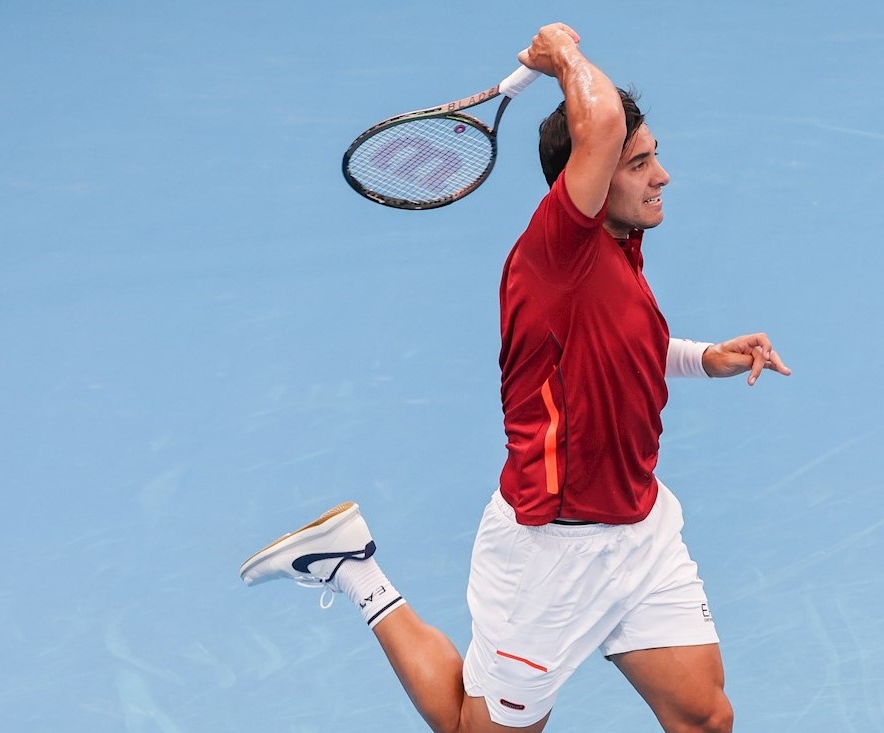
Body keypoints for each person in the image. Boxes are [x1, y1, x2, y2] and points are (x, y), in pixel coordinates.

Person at [239, 22, 792, 733]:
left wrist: (704, 356)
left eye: (656, 157)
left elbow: (613, 352)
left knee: (705, 716)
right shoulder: (556, 250)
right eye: (638, 163)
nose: (662, 176)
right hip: (548, 555)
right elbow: (603, 123)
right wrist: (561, 54)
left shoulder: (622, 248)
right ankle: (354, 567)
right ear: (588, 177)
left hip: (638, 531)